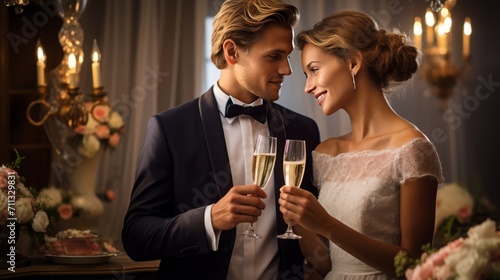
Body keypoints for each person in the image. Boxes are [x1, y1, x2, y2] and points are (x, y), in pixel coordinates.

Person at [121, 0, 320, 279]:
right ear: (232, 52)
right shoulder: (169, 128)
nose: (287, 70)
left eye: (287, 56)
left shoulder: (304, 131)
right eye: (274, 56)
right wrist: (210, 219)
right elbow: (136, 236)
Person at [278, 10, 444, 280]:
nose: (308, 87)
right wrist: (299, 222)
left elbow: (414, 264)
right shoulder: (325, 154)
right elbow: (327, 265)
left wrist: (327, 225)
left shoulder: (412, 149)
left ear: (353, 63)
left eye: (314, 70)